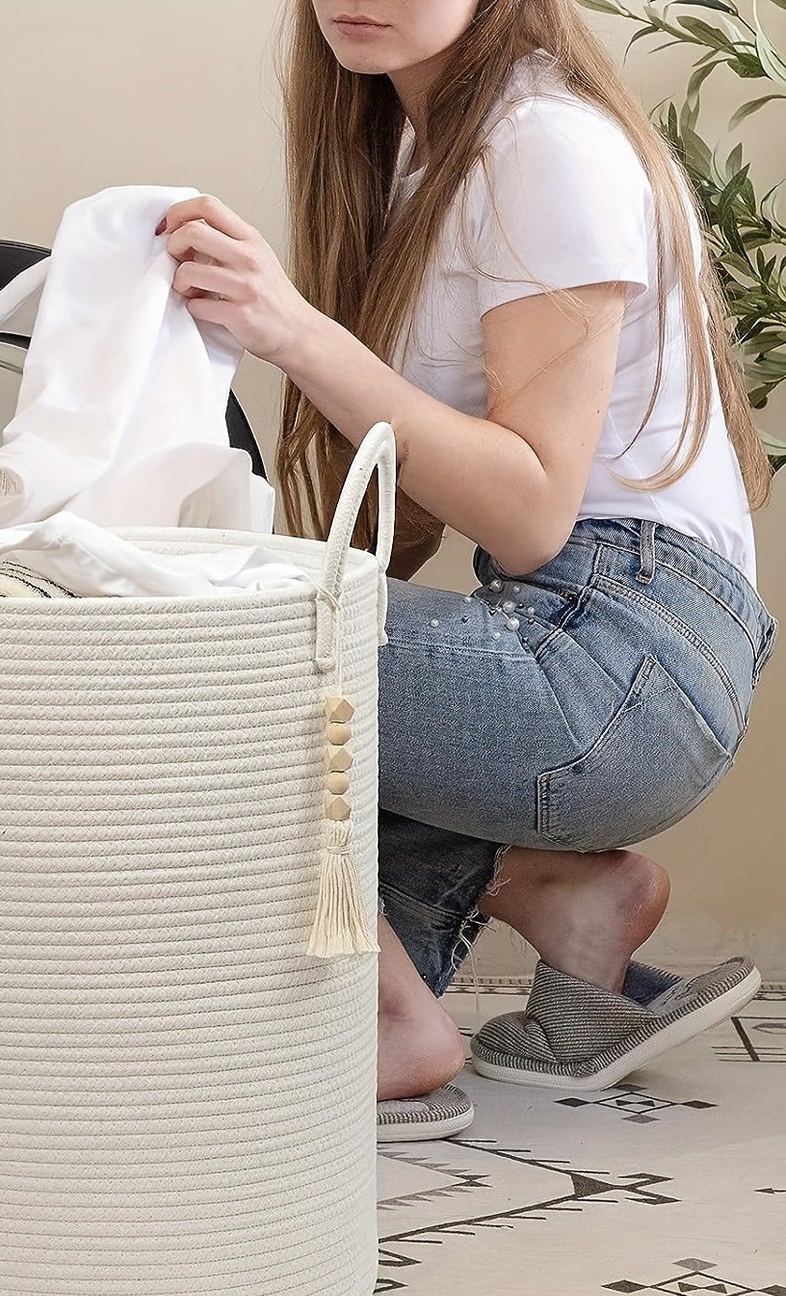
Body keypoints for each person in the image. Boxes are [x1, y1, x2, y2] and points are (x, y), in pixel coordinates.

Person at [155, 0, 777, 1140]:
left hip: (619, 662)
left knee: (185, 651)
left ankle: (395, 1024)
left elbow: (532, 510)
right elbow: (415, 514)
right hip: (602, 644)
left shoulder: (539, 144)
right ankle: (569, 900)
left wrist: (293, 332)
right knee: (241, 716)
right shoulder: (425, 155)